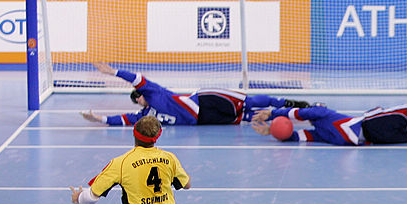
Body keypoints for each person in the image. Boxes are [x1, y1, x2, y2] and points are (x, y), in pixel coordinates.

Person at [80, 62, 310, 126]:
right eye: (136, 97)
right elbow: (119, 121)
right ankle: (291, 114)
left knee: (248, 101)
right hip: (203, 120)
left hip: (202, 100)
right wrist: (97, 118)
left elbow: (137, 79)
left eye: (138, 94)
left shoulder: (155, 93)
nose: (139, 96)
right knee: (248, 117)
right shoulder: (145, 117)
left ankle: (291, 103)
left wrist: (113, 72)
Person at [251, 79, 407, 145]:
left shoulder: (324, 115)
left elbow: (302, 113)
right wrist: (273, 131)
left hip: (369, 123)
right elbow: (298, 136)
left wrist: (273, 114)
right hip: (369, 140)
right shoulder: (320, 134)